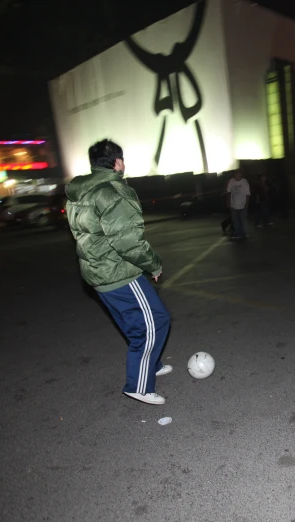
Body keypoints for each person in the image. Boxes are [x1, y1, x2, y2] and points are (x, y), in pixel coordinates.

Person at [65, 139, 172, 405]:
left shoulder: (79, 193)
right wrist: (154, 264)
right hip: (118, 273)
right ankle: (139, 385)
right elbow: (128, 242)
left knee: (133, 322)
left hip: (96, 273)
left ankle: (152, 363)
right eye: (122, 160)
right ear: (117, 162)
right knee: (156, 322)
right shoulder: (113, 192)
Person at [226, 169, 250, 240]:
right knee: (235, 220)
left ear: (240, 174)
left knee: (243, 219)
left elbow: (247, 194)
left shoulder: (244, 182)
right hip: (234, 204)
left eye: (237, 174)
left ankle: (245, 233)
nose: (236, 176)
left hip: (242, 204)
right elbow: (228, 191)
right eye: (235, 174)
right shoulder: (231, 181)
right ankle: (238, 233)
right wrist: (229, 202)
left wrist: (246, 203)